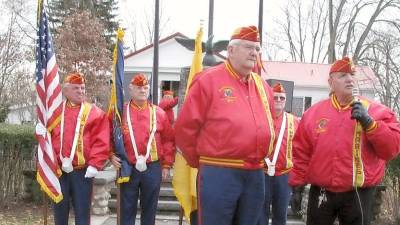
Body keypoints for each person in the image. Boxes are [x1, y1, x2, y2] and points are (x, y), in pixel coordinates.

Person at [174, 25, 276, 225]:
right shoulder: (208, 80)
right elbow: (185, 128)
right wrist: (203, 161)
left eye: (257, 48)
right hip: (219, 171)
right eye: (248, 47)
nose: (254, 53)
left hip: (255, 174)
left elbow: (270, 122)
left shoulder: (263, 87)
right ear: (231, 51)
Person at [289, 56, 400, 225]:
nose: (349, 79)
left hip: (358, 193)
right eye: (342, 75)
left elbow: (391, 149)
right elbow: (301, 152)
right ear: (330, 82)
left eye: (352, 74)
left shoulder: (376, 111)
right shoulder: (313, 114)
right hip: (322, 192)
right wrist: (297, 186)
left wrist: (370, 124)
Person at [110, 73, 175, 225]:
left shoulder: (159, 113)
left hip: (152, 167)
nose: (143, 91)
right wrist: (111, 155)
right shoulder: (120, 112)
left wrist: (166, 164)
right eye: (139, 88)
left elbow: (168, 140)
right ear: (130, 89)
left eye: (145, 88)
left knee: (150, 208)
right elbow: (109, 135)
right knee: (126, 209)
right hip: (128, 167)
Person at [51, 72, 110, 225]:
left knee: (83, 212)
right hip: (58, 171)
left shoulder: (95, 113)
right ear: (65, 91)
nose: (81, 91)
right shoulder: (54, 113)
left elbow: (101, 140)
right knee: (59, 210)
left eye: (82, 88)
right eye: (76, 88)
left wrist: (95, 164)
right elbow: (49, 138)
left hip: (82, 172)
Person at [258, 83, 299, 225]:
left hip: (284, 176)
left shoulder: (294, 121)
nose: (279, 100)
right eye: (275, 97)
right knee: (260, 214)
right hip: (262, 174)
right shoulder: (261, 117)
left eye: (282, 97)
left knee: (280, 215)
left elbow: (300, 148)